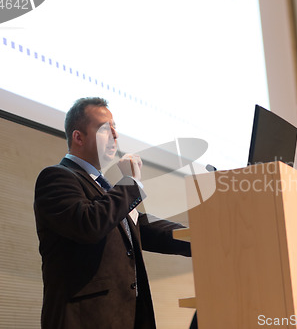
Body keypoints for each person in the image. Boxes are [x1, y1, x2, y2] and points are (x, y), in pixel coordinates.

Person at [34, 97, 191, 329]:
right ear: (78, 137)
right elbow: (89, 225)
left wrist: (201, 238)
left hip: (126, 316)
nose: (115, 135)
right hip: (86, 319)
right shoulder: (57, 177)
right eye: (105, 129)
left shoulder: (104, 188)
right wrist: (129, 183)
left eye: (115, 127)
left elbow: (142, 227)